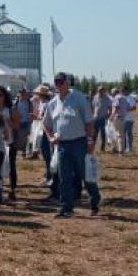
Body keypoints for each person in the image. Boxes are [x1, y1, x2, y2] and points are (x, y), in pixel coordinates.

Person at [42, 72, 101, 218]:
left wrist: (90, 140)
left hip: (79, 143)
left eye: (61, 82)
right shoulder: (52, 103)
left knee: (85, 174)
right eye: (56, 82)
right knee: (64, 177)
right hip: (62, 145)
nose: (59, 85)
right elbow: (45, 124)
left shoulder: (78, 98)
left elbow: (88, 122)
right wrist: (50, 137)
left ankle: (95, 201)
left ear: (68, 83)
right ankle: (66, 207)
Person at [9, 87, 32, 200]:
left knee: (24, 139)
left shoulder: (29, 102)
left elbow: (31, 112)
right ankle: (22, 150)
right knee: (18, 139)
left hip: (25, 123)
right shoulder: (15, 103)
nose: (22, 94)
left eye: (23, 92)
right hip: (17, 124)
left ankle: (23, 151)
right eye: (21, 92)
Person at [92, 86, 113, 152]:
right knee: (94, 133)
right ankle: (92, 147)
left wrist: (109, 115)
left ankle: (102, 148)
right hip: (95, 118)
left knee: (103, 134)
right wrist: (93, 114)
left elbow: (110, 108)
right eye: (99, 90)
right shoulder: (95, 97)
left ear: (104, 91)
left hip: (103, 118)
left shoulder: (107, 98)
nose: (100, 91)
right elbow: (93, 106)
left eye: (101, 90)